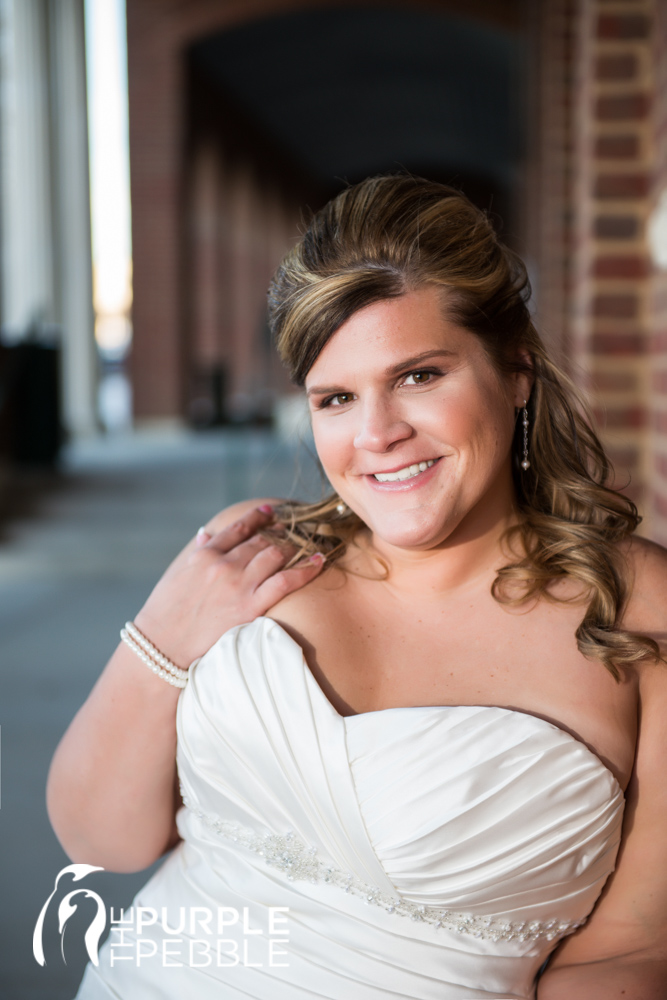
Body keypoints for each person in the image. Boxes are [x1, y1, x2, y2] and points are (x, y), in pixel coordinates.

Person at [48, 175, 667, 1000]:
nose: (375, 435)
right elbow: (103, 842)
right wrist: (161, 638)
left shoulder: (636, 607)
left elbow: (626, 952)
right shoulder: (250, 553)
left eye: (417, 376)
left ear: (515, 371)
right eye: (335, 397)